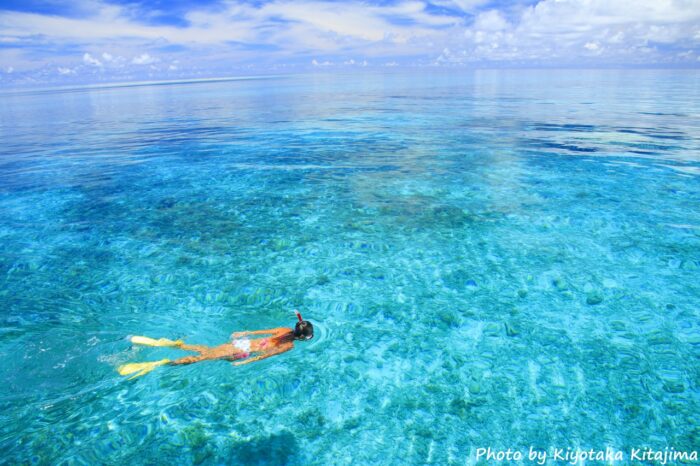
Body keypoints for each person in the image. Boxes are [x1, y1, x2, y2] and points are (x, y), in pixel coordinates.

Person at [118, 311, 313, 379]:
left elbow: (260, 332)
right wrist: (244, 364)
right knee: (204, 357)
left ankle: (176, 345)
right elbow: (265, 356)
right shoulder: (289, 346)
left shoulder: (283, 329)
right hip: (244, 351)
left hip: (244, 343)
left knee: (207, 350)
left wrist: (244, 333)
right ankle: (163, 362)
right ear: (303, 338)